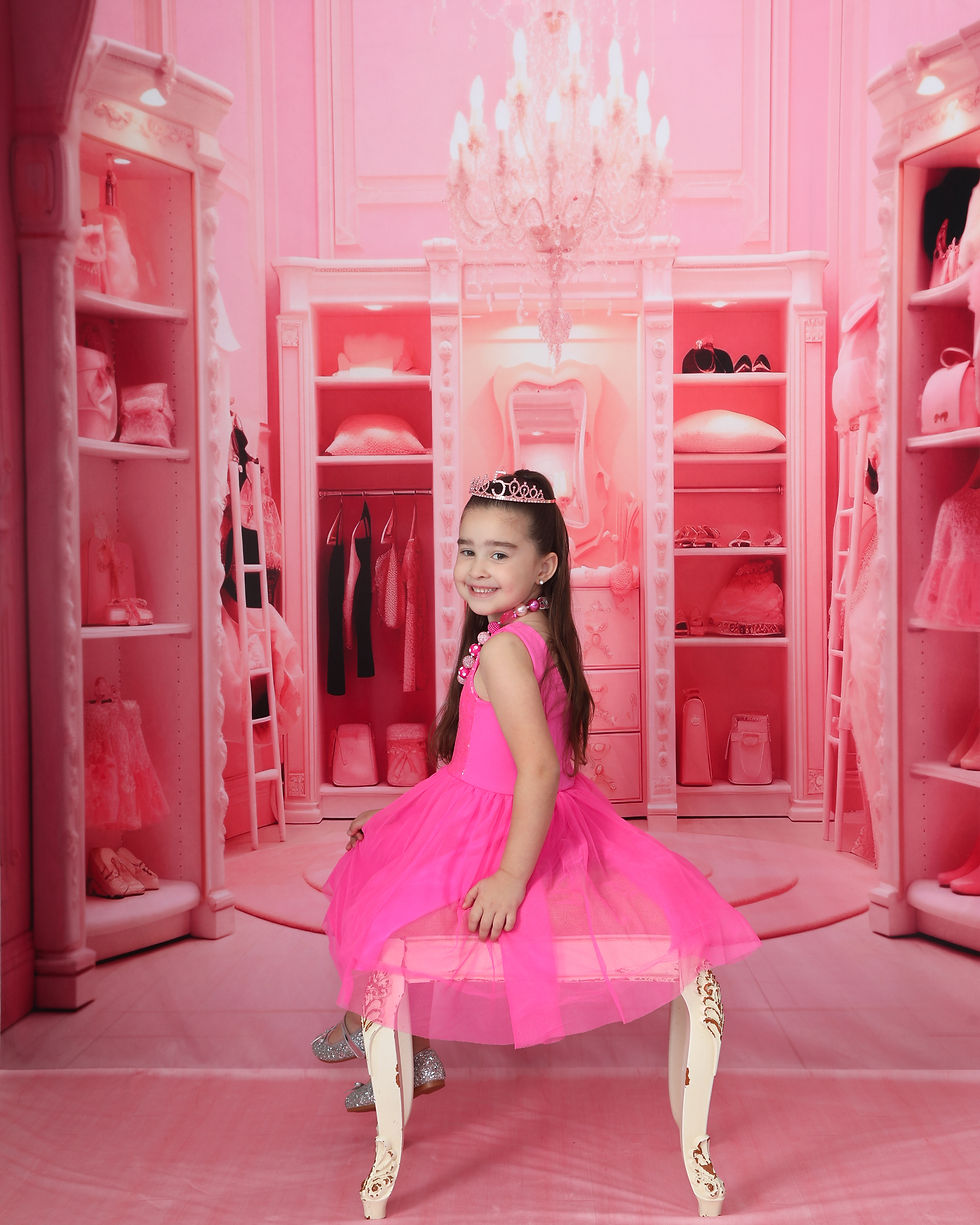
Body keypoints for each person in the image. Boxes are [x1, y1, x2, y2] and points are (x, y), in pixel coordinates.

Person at [316, 469, 760, 1111]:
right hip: (481, 800)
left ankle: (397, 1043)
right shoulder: (541, 628)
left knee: (381, 902)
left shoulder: (502, 650)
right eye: (467, 550)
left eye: (500, 554)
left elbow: (540, 770)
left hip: (502, 821)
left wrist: (509, 879)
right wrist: (398, 812)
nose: (476, 569)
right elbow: (475, 758)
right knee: (378, 852)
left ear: (545, 565)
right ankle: (401, 1043)